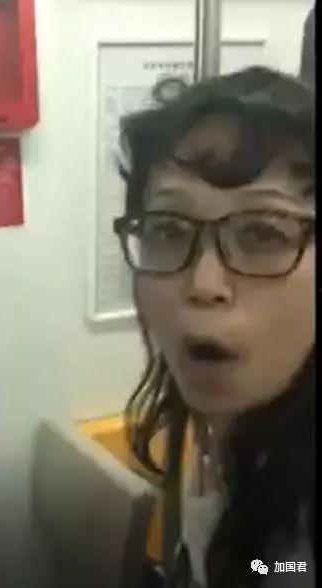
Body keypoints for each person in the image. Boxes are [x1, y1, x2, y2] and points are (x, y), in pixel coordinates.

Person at [113, 66, 314, 587]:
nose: (204, 285)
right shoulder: (223, 429)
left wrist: (259, 570)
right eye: (168, 229)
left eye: (263, 233)